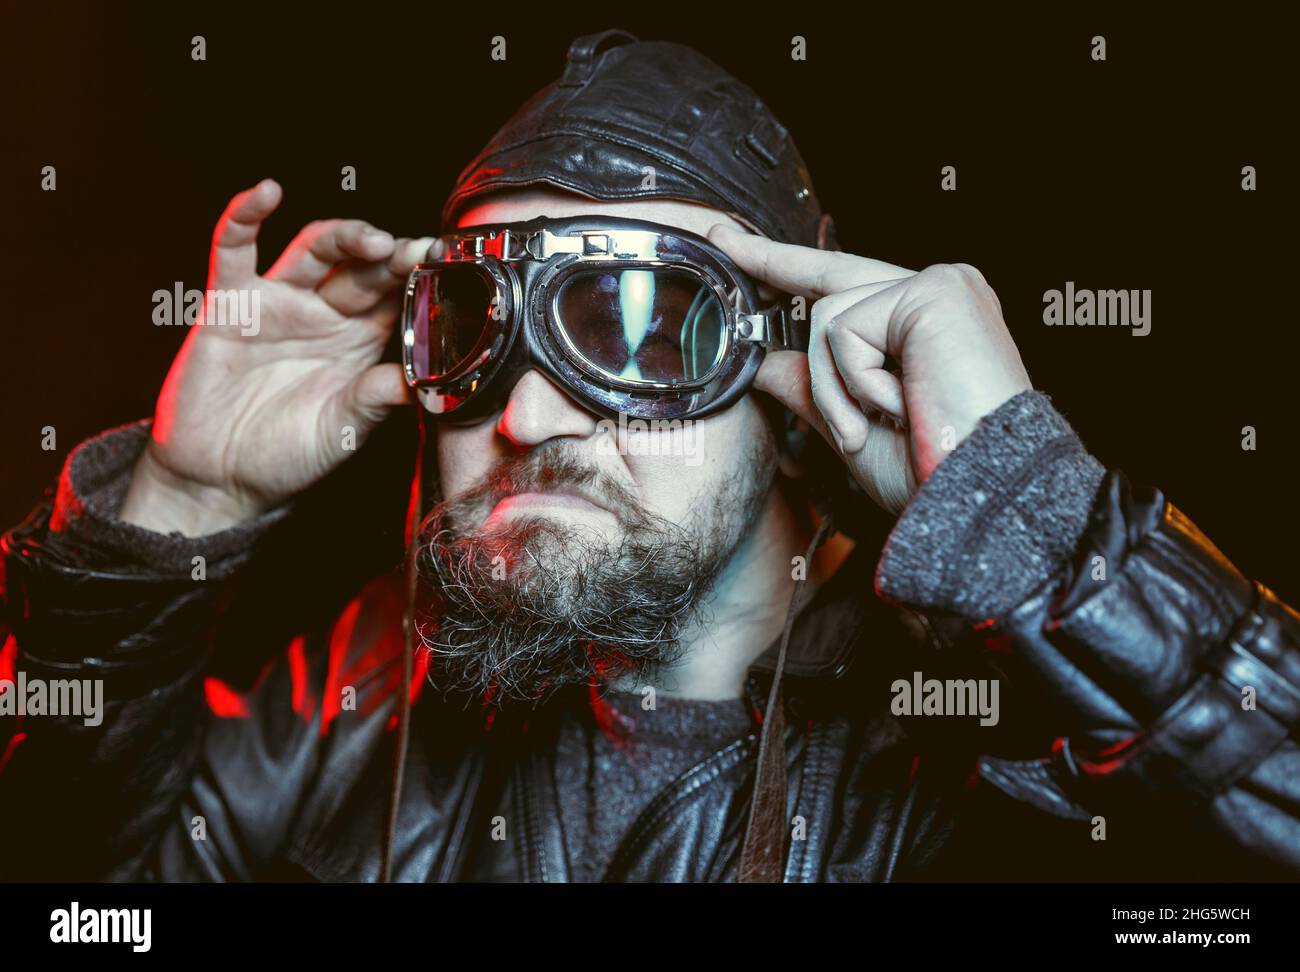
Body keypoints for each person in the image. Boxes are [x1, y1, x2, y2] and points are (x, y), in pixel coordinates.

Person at [2, 30, 1296, 883]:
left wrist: (1044, 532)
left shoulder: (995, 738)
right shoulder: (375, 682)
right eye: (477, 338)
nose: (525, 420)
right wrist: (178, 504)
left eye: (636, 333)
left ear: (783, 370)